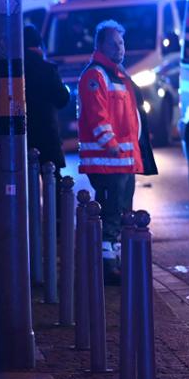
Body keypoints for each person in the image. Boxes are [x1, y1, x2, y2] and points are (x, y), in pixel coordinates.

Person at [77, 20, 157, 283]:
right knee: (111, 215)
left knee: (123, 214)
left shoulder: (118, 74)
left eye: (121, 43)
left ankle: (117, 263)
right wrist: (110, 144)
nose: (119, 48)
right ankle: (108, 269)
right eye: (113, 44)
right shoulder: (96, 75)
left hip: (122, 161)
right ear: (100, 45)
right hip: (108, 161)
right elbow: (97, 114)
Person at [23, 24, 70, 170]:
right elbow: (62, 98)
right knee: (53, 180)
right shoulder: (47, 69)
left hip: (23, 135)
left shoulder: (14, 68)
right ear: (39, 44)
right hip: (46, 134)